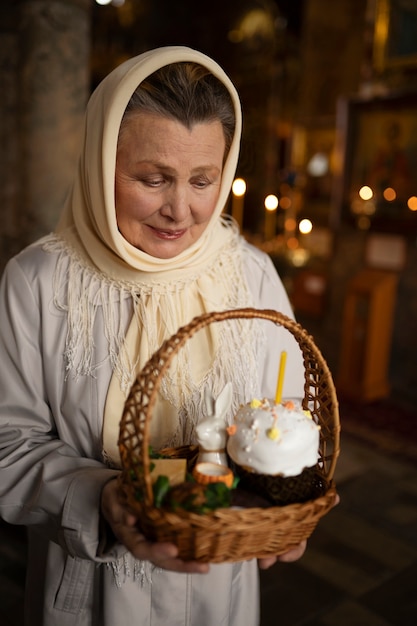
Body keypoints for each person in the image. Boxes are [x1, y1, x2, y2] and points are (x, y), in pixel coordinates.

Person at [0, 46, 312, 626]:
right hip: (90, 591)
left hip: (221, 590)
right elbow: (7, 441)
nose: (180, 210)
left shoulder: (250, 274)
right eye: (151, 178)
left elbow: (287, 412)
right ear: (99, 162)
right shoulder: (37, 282)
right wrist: (100, 499)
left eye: (202, 180)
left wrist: (287, 495)